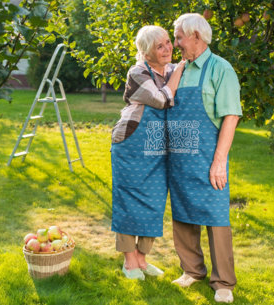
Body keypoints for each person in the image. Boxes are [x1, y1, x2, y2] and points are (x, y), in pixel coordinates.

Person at [167, 13, 242, 303]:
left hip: (208, 156)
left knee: (216, 216)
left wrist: (219, 160)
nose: (176, 44)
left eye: (179, 37)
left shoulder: (220, 69)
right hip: (179, 158)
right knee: (182, 213)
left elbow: (231, 116)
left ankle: (223, 281)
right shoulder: (179, 70)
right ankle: (192, 270)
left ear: (196, 36)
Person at [111, 25, 185, 280]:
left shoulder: (172, 70)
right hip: (131, 141)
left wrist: (177, 71)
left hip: (160, 143)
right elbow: (162, 99)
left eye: (168, 42)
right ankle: (129, 260)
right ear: (146, 53)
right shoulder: (138, 72)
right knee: (129, 199)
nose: (168, 49)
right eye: (160, 46)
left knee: (154, 200)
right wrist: (179, 71)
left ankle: (142, 259)